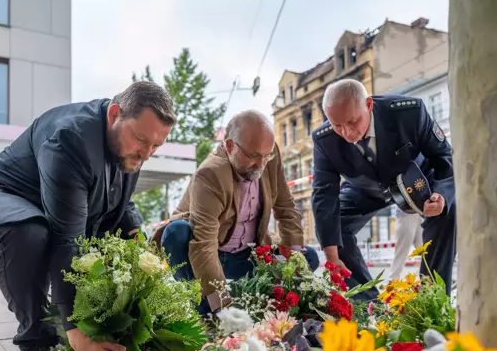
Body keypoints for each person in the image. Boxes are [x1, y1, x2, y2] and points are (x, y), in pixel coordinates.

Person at [0, 81, 175, 351]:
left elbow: (119, 201)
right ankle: (38, 343)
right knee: (30, 233)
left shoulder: (128, 145)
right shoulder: (70, 139)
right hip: (1, 201)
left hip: (48, 211)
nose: (147, 153)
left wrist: (137, 239)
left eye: (156, 146)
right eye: (140, 140)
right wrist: (75, 332)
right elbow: (67, 239)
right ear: (114, 114)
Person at [159, 110, 319, 312]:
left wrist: (293, 259)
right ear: (229, 146)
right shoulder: (210, 174)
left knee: (307, 257)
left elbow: (285, 206)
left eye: (265, 156)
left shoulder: (269, 154)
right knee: (176, 232)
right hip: (210, 253)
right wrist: (222, 306)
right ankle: (203, 305)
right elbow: (204, 244)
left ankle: (260, 303)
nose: (261, 164)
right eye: (253, 156)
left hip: (248, 256)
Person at [311, 79, 455, 300]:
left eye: (353, 121)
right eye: (337, 125)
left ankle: (433, 299)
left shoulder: (409, 112)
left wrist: (442, 195)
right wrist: (331, 250)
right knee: (335, 225)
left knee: (446, 213)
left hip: (417, 180)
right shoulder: (324, 140)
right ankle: (369, 305)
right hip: (365, 188)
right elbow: (324, 194)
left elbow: (444, 157)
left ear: (368, 105)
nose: (347, 133)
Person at [390, 210, 423, 281]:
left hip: (420, 213)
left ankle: (431, 277)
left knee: (424, 249)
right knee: (402, 249)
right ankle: (393, 280)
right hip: (407, 213)